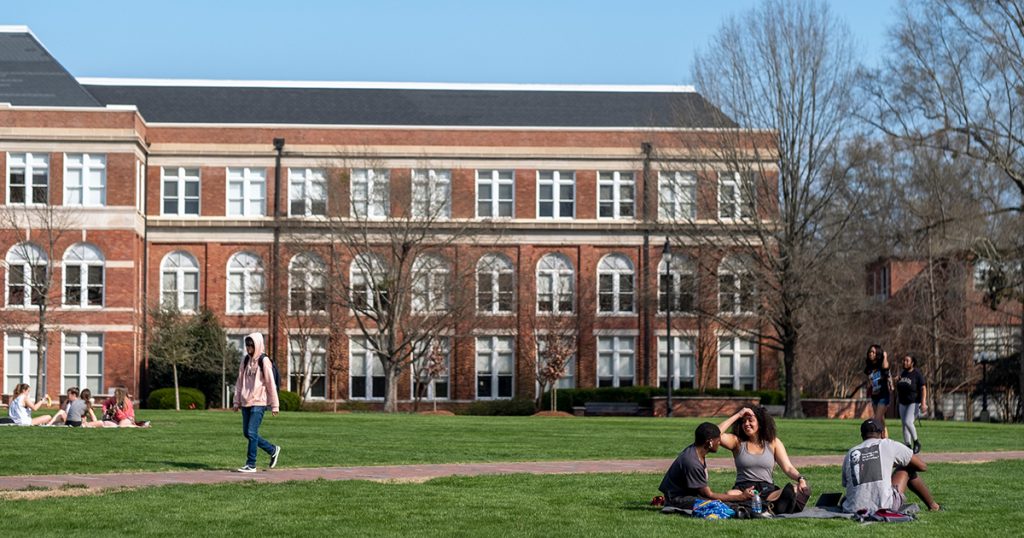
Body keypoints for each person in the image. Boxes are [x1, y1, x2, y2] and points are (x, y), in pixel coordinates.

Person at [842, 419, 940, 513]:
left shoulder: (851, 452)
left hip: (853, 507)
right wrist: (891, 463)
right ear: (883, 434)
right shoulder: (889, 444)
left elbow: (846, 483)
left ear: (862, 435)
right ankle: (933, 506)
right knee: (906, 466)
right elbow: (922, 466)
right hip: (884, 506)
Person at [717, 407, 810, 505]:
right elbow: (713, 434)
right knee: (730, 494)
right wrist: (738, 415)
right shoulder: (737, 442)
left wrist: (801, 479)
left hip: (767, 491)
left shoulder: (773, 442)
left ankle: (761, 504)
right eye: (743, 421)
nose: (746, 424)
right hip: (742, 490)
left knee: (794, 490)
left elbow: (788, 468)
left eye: (750, 420)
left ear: (760, 423)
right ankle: (765, 506)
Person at [659, 422, 754, 510]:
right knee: (721, 505)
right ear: (710, 442)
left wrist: (739, 414)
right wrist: (741, 497)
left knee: (727, 503)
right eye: (718, 440)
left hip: (686, 495)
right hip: (677, 500)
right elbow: (709, 495)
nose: (719, 443)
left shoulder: (696, 450)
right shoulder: (692, 462)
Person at [232, 333, 281, 473]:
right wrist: (236, 401)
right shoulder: (245, 360)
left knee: (252, 432)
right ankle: (272, 449)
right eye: (247, 345)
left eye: (251, 345)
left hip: (259, 402)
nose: (248, 348)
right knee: (247, 433)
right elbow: (239, 382)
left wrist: (274, 404)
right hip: (246, 402)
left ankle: (251, 464)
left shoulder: (264, 361)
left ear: (257, 345)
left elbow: (271, 383)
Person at [895, 354, 927, 454]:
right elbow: (900, 387)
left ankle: (916, 442)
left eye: (907, 361)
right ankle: (907, 446)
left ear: (912, 363)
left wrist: (923, 402)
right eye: (904, 360)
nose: (905, 362)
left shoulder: (916, 374)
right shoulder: (903, 373)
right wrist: (896, 381)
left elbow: (923, 388)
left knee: (908, 422)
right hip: (903, 402)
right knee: (904, 425)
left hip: (914, 402)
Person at [864, 345, 891, 438]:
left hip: (883, 396)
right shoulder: (869, 368)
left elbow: (886, 367)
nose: (871, 353)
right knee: (881, 420)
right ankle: (886, 440)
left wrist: (885, 356)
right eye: (870, 352)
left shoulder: (882, 365)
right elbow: (870, 381)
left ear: (878, 354)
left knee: (876, 420)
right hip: (874, 396)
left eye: (873, 352)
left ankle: (876, 440)